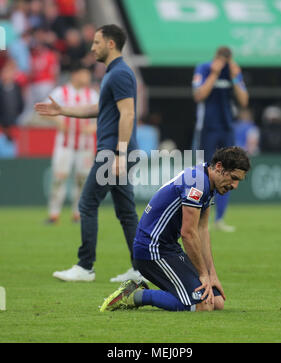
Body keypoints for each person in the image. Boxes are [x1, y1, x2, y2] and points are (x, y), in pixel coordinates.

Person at [35, 24, 144, 283]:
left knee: (86, 203)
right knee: (126, 212)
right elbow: (99, 109)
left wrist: (118, 154)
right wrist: (63, 110)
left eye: (96, 42)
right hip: (118, 151)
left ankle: (85, 267)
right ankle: (141, 269)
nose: (92, 47)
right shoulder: (114, 73)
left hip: (113, 151)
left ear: (110, 44)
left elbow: (127, 113)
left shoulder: (119, 74)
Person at [99, 146, 251, 313]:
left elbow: (202, 231)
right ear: (219, 167)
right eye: (233, 178)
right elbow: (188, 233)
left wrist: (211, 274)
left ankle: (175, 293)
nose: (235, 186)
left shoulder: (207, 181)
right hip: (151, 250)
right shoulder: (197, 183)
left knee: (217, 301)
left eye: (239, 181)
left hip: (169, 249)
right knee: (203, 305)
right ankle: (135, 295)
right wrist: (203, 274)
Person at [191, 46, 249, 232]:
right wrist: (214, 74)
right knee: (205, 172)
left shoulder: (232, 72)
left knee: (228, 173)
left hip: (226, 128)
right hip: (207, 128)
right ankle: (200, 215)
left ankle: (220, 219)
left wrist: (234, 77)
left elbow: (244, 100)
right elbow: (199, 95)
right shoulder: (204, 68)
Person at [40, 65, 99, 224]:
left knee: (82, 179)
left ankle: (78, 213)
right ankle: (54, 214)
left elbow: (104, 115)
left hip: (85, 146)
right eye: (84, 73)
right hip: (64, 144)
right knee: (59, 177)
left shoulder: (92, 94)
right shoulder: (61, 92)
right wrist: (57, 122)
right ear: (75, 74)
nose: (87, 77)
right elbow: (45, 109)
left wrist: (93, 127)